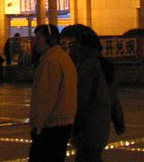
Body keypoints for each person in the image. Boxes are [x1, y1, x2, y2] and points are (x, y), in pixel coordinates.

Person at [28, 24, 77, 162]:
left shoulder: (50, 62)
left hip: (51, 125)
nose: (35, 42)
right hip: (64, 122)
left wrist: (37, 126)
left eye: (38, 38)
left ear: (50, 39)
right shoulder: (63, 58)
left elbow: (46, 97)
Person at [72, 30, 121, 162]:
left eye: (77, 45)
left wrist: (75, 122)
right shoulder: (105, 66)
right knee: (93, 156)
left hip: (89, 123)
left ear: (85, 48)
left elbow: (82, 97)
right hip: (102, 121)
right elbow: (114, 96)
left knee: (86, 156)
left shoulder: (87, 67)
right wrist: (118, 120)